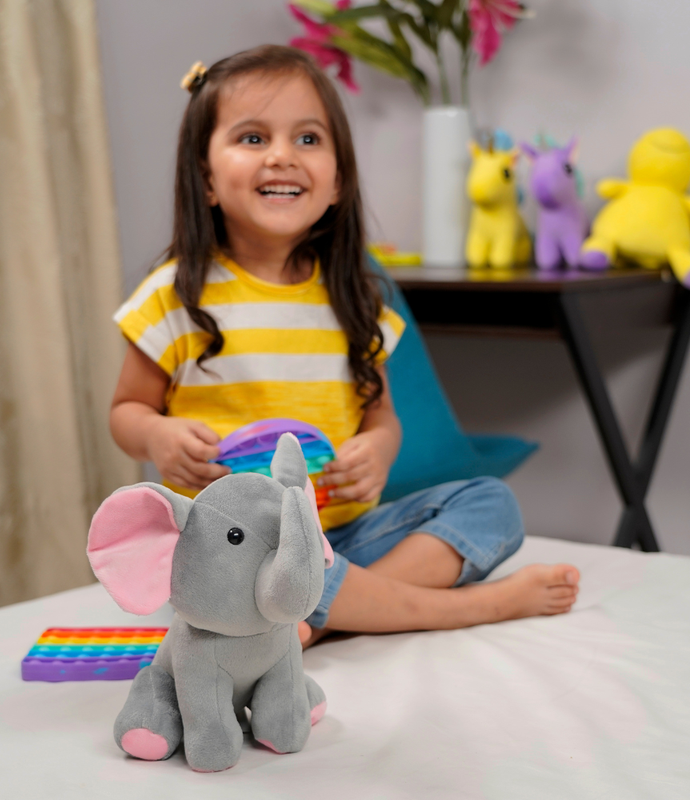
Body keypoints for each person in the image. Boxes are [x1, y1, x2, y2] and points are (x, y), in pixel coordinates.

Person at [110, 45, 579, 649]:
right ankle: (460, 608)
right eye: (253, 138)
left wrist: (378, 450)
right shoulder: (174, 297)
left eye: (308, 139)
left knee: (491, 503)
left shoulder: (356, 297)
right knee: (250, 560)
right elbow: (126, 412)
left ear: (337, 182)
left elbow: (380, 415)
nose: (282, 155)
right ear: (205, 179)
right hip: (231, 550)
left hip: (342, 539)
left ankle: (314, 615)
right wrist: (157, 436)